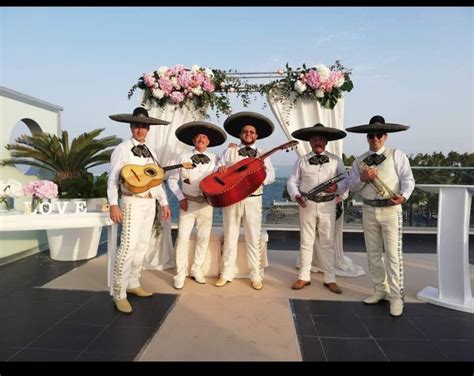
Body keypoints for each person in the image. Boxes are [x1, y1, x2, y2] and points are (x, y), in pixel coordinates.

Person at [343, 115, 415, 317]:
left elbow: (408, 179)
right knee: (373, 253)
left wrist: (404, 196)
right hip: (368, 209)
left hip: (391, 209)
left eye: (379, 135)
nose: (375, 138)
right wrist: (363, 178)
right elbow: (352, 186)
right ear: (367, 137)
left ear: (385, 137)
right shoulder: (359, 161)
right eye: (371, 135)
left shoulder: (396, 154)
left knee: (393, 254)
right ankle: (380, 290)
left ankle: (396, 297)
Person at [108, 107, 171, 314]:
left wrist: (164, 202)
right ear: (131, 127)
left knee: (143, 245)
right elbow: (113, 179)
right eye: (137, 126)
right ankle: (119, 292)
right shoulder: (123, 148)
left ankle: (133, 282)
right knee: (127, 247)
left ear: (148, 129)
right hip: (131, 202)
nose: (140, 129)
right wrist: (113, 203)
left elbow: (155, 179)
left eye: (144, 126)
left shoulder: (151, 151)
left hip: (149, 203)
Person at [214, 112, 275, 290]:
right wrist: (221, 169)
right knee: (230, 236)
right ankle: (226, 273)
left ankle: (255, 275)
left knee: (252, 238)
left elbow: (271, 175)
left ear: (256, 136)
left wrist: (259, 176)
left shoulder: (264, 154)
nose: (248, 134)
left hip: (253, 200)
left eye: (252, 132)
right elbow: (218, 167)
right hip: (231, 200)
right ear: (240, 135)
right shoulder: (230, 150)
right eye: (245, 132)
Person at [287, 123, 347, 294]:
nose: (318, 141)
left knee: (328, 242)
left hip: (328, 204)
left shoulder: (336, 160)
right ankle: (303, 276)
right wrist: (296, 195)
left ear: (326, 141)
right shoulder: (302, 160)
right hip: (307, 204)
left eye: (321, 138)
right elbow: (292, 181)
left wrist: (336, 188)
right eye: (314, 139)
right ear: (310, 141)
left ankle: (330, 278)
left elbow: (346, 180)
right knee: (306, 241)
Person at [167, 121, 227, 289]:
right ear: (194, 140)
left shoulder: (216, 159)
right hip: (187, 204)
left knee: (203, 238)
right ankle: (179, 273)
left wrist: (223, 167)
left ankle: (197, 269)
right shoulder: (182, 157)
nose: (201, 139)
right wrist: (180, 198)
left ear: (208, 142)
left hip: (207, 205)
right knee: (183, 238)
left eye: (204, 137)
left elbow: (222, 177)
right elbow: (172, 180)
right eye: (198, 136)